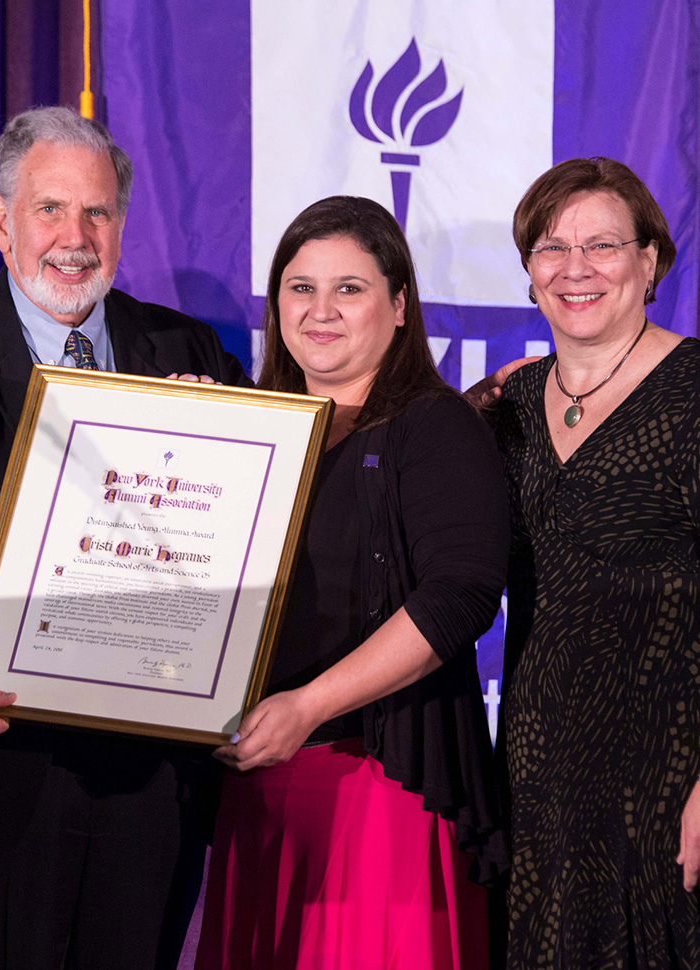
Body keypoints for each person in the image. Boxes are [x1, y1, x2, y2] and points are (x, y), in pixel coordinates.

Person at [0, 106, 248, 970]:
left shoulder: (190, 353)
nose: (76, 237)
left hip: (152, 777)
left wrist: (207, 436)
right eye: (50, 209)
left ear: (123, 223)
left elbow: (251, 538)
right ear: (1, 220)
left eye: (98, 212)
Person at [195, 196, 510, 970]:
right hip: (256, 779)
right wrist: (177, 433)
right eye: (300, 288)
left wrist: (307, 708)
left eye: (350, 288)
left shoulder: (435, 426)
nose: (321, 311)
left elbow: (460, 596)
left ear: (399, 305)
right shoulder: (250, 428)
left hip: (373, 788)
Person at [493, 157, 700, 968]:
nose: (575, 268)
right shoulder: (507, 406)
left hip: (666, 787)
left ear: (650, 263)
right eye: (551, 248)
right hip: (538, 788)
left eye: (603, 245)